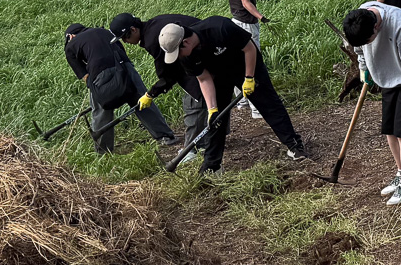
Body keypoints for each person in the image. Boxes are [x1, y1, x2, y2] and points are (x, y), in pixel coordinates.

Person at [114, 13, 307, 170]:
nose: (178, 57)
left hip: (246, 63)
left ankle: (294, 144)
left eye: (178, 52)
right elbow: (204, 79)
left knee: (268, 103)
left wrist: (249, 78)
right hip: (219, 74)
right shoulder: (187, 57)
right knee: (216, 121)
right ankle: (212, 165)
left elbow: (249, 49)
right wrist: (212, 109)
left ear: (185, 42)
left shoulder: (219, 27)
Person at [342, 1, 401, 205]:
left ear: (377, 27)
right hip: (388, 81)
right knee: (390, 131)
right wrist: (364, 68)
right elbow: (359, 49)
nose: (367, 44)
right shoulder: (360, 20)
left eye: (369, 40)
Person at [64, 23, 178, 155]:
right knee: (142, 100)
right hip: (126, 67)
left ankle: (103, 151)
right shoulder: (105, 32)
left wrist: (97, 89)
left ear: (70, 36)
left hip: (99, 72)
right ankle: (166, 136)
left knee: (101, 110)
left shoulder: (70, 46)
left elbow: (85, 76)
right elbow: (122, 52)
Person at [230, 0, 268, 120]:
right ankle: (257, 107)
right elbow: (246, 2)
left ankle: (242, 101)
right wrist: (261, 17)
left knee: (240, 62)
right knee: (253, 64)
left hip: (238, 21)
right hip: (246, 24)